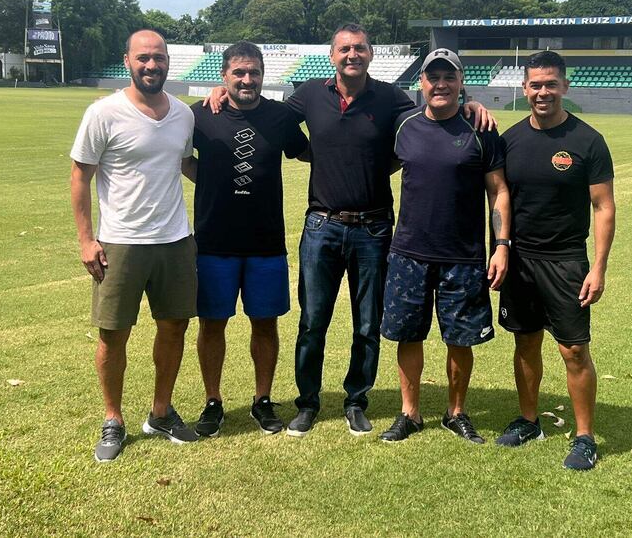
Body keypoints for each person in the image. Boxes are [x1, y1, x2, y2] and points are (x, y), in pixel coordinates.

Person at [205, 24, 497, 437]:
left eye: (359, 48)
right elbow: (267, 115)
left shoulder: (391, 97)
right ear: (332, 55)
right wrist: (223, 91)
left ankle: (356, 400)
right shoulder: (308, 95)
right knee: (313, 322)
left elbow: (435, 106)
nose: (352, 54)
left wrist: (472, 103)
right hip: (322, 224)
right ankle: (308, 404)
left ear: (371, 54)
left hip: (374, 228)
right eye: (344, 48)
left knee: (367, 324)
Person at [70, 30, 199, 462]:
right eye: (143, 58)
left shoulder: (183, 115)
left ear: (168, 62)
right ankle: (113, 419)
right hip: (121, 242)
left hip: (175, 240)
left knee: (174, 327)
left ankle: (160, 412)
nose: (151, 66)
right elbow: (79, 176)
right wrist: (87, 239)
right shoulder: (103, 113)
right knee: (113, 334)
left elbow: (184, 164)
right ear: (127, 60)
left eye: (158, 58)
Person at [378, 49, 510, 443]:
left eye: (448, 77)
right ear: (421, 82)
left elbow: (499, 191)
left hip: (463, 256)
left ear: (460, 81)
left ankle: (456, 412)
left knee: (460, 338)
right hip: (409, 252)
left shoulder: (481, 129)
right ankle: (410, 413)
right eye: (432, 77)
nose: (440, 84)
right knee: (408, 335)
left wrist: (501, 245)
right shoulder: (404, 125)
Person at [495, 50, 616, 470]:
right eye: (535, 84)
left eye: (550, 83)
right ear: (524, 87)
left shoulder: (587, 141)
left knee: (574, 350)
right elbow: (500, 198)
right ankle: (530, 421)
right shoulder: (508, 140)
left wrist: (598, 267)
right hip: (520, 259)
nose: (542, 91)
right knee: (525, 341)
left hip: (566, 260)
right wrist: (502, 245)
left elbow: (603, 206)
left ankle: (585, 437)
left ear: (564, 85)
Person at [182, 42, 308, 437]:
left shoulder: (281, 116)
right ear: (224, 76)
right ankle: (213, 401)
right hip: (215, 241)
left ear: (263, 73)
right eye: (238, 73)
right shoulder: (199, 115)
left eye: (253, 72)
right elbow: (179, 157)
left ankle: (263, 399)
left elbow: (308, 152)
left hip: (266, 243)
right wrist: (213, 183)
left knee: (265, 324)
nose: (247, 80)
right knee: (212, 324)